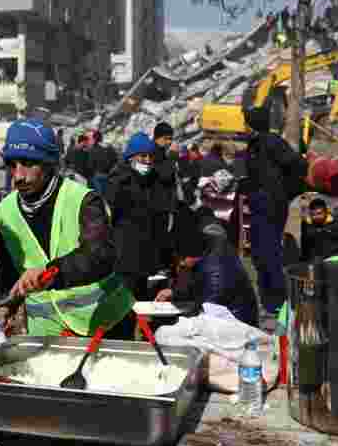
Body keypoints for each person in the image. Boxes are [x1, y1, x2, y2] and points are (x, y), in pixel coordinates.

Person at [0, 120, 135, 446]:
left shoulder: (81, 199)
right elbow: (9, 267)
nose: (18, 175)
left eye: (28, 165)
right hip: (51, 332)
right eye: (12, 165)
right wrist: (8, 303)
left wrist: (51, 272)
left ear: (49, 163)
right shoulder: (6, 210)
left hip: (105, 325)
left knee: (116, 432)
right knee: (61, 432)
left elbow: (101, 255)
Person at [236, 104, 309, 313]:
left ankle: (277, 303)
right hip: (260, 204)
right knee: (259, 254)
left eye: (246, 122)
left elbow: (298, 165)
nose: (244, 127)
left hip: (270, 205)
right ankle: (268, 301)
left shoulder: (272, 142)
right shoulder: (256, 144)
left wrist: (283, 191)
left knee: (269, 254)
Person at [105, 132, 178, 303]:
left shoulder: (153, 180)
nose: (147, 160)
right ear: (131, 156)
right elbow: (109, 213)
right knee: (123, 298)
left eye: (150, 156)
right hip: (124, 250)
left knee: (142, 296)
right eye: (142, 155)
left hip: (147, 250)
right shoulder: (119, 180)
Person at [158, 207, 259, 326]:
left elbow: (210, 313)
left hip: (235, 326)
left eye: (180, 257)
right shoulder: (206, 249)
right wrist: (174, 293)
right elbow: (196, 288)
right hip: (222, 317)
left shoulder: (216, 272)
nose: (179, 263)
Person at [301, 198, 338, 262]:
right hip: (315, 261)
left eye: (319, 213)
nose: (316, 217)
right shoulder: (307, 225)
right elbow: (305, 247)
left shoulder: (337, 225)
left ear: (326, 212)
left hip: (334, 260)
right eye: (313, 214)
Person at [87, 129, 118, 197]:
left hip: (97, 176)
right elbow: (115, 160)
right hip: (109, 176)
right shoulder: (108, 148)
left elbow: (90, 166)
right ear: (101, 138)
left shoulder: (92, 150)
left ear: (94, 139)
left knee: (98, 196)